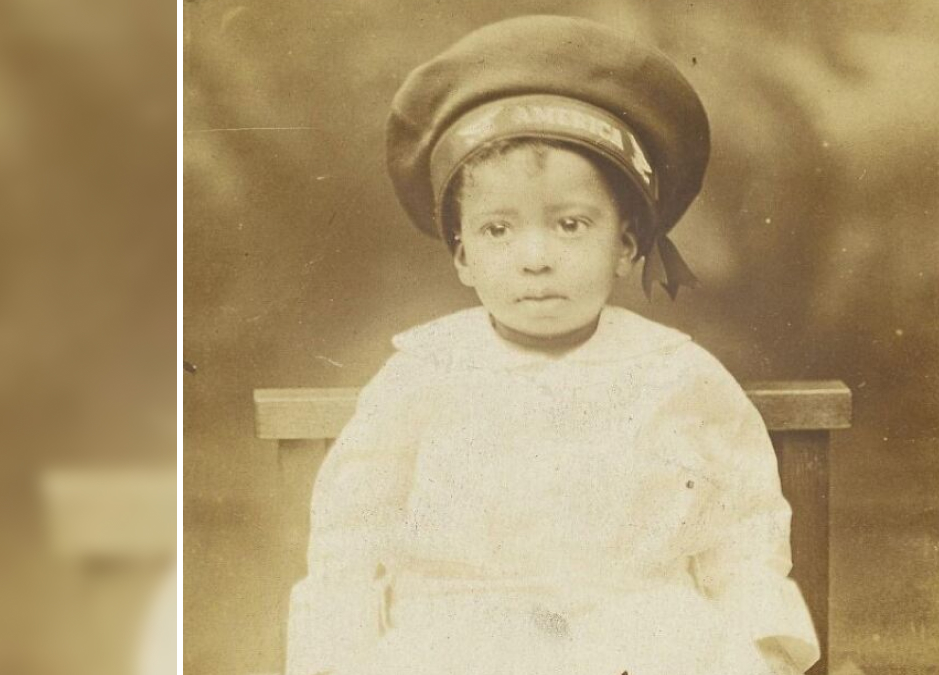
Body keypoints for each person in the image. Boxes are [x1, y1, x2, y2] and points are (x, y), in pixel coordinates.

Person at [285, 15, 818, 675]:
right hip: (462, 634)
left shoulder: (679, 377)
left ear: (624, 244)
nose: (535, 258)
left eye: (569, 225)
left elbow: (743, 535)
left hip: (639, 633)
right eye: (498, 230)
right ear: (463, 255)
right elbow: (351, 540)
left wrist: (759, 650)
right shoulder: (420, 377)